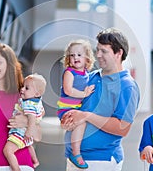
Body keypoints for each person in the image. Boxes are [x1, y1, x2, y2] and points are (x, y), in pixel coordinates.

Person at [61, 27, 141, 171]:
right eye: (97, 50)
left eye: (104, 51)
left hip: (101, 161)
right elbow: (73, 106)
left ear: (119, 53)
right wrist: (68, 119)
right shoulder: (90, 77)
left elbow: (122, 128)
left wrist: (86, 116)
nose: (98, 55)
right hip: (74, 159)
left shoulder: (127, 86)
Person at [57, 39, 96, 169]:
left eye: (79, 55)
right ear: (68, 59)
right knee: (82, 122)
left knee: (82, 123)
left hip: (77, 108)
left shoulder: (87, 74)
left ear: (87, 58)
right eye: (72, 55)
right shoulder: (69, 72)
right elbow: (68, 90)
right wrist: (84, 94)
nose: (75, 58)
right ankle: (76, 153)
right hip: (67, 108)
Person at [3, 73, 46, 171]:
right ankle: (35, 160)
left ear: (37, 94)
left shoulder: (28, 104)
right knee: (29, 145)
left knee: (8, 151)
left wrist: (29, 131)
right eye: (23, 86)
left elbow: (31, 118)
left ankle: (16, 169)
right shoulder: (37, 101)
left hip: (21, 133)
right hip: (25, 133)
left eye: (27, 88)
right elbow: (41, 113)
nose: (22, 89)